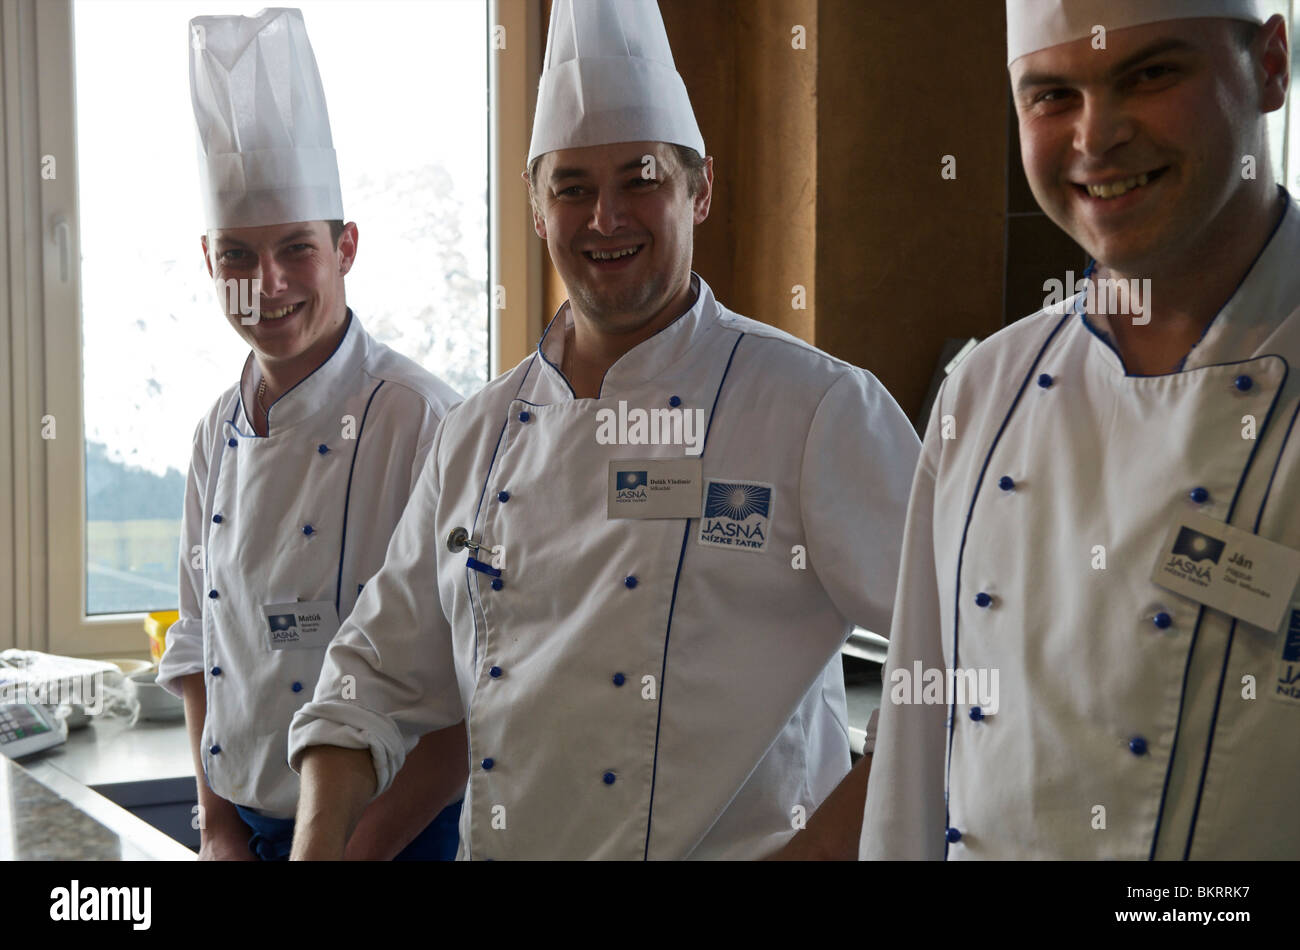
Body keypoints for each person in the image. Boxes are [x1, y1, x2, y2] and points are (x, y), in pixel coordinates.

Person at [286, 0, 919, 860]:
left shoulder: (814, 409)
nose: (604, 219)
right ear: (537, 208)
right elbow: (369, 679)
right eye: (573, 188)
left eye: (641, 179)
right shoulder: (475, 434)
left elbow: (955, 660)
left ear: (701, 191)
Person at [859, 0, 1300, 859]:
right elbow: (915, 748)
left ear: (1272, 64)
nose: (1096, 139)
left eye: (1152, 74)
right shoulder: (984, 387)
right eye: (1051, 95)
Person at [157, 7, 466, 861]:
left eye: (297, 248)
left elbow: (474, 687)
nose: (269, 284)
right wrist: (217, 826)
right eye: (238, 256)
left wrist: (350, 850)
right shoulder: (212, 433)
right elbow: (196, 642)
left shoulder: (424, 421)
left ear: (347, 247)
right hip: (248, 832)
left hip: (400, 839)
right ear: (208, 261)